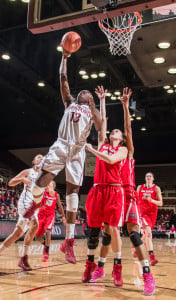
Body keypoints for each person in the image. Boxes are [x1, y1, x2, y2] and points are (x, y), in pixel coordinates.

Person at [23, 51, 101, 264]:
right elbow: (63, 79)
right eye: (82, 91)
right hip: (61, 144)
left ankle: (69, 240)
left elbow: (102, 127)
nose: (84, 91)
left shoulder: (92, 113)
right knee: (40, 183)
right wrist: (65, 57)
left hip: (77, 150)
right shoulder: (69, 103)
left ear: (90, 100)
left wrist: (96, 106)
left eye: (88, 92)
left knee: (73, 192)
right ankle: (36, 203)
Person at [82, 85, 128, 287]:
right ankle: (90, 265)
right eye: (113, 130)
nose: (114, 131)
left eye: (118, 131)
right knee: (93, 231)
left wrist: (92, 151)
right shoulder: (103, 143)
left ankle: (117, 268)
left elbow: (110, 160)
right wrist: (102, 100)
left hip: (114, 191)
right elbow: (102, 124)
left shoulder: (124, 150)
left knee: (114, 229)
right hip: (97, 189)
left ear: (121, 138)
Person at [120, 88, 155, 295]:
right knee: (108, 233)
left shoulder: (129, 155)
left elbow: (128, 129)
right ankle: (101, 267)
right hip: (113, 197)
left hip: (128, 195)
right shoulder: (111, 156)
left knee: (134, 235)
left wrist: (125, 106)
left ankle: (147, 274)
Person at [0, 154, 43, 271]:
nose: (41, 158)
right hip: (25, 204)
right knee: (35, 225)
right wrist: (22, 179)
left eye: (43, 157)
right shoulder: (28, 171)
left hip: (35, 206)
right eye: (38, 157)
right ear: (33, 161)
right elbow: (11, 182)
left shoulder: (44, 176)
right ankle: (24, 259)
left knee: (17, 234)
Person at [35, 180, 66, 261]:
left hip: (50, 215)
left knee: (48, 231)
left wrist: (63, 216)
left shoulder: (56, 195)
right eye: (47, 184)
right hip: (41, 215)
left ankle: (46, 253)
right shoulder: (43, 192)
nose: (48, 185)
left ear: (53, 186)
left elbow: (60, 206)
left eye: (50, 184)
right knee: (37, 237)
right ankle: (46, 245)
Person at [137, 172, 163, 267]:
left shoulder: (156, 188)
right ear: (145, 178)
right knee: (148, 233)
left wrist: (151, 200)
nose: (148, 177)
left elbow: (160, 203)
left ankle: (137, 246)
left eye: (150, 176)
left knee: (145, 237)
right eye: (147, 176)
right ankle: (152, 257)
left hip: (152, 214)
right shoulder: (140, 187)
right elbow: (136, 199)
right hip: (142, 213)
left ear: (153, 178)